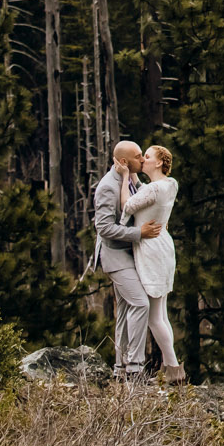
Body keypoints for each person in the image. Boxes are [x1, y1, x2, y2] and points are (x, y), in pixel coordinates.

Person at [91, 139, 161, 382]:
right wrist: (138, 234)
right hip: (115, 256)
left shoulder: (130, 179)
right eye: (138, 156)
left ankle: (120, 368)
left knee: (123, 311)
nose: (143, 160)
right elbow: (104, 228)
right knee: (140, 304)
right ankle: (135, 367)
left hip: (128, 254)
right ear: (123, 162)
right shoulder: (107, 187)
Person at [121, 144, 183, 384]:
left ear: (158, 163)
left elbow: (128, 205)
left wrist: (126, 176)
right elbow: (146, 193)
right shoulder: (170, 184)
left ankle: (174, 370)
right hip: (163, 246)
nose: (143, 159)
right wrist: (135, 174)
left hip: (151, 248)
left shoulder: (155, 189)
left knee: (154, 316)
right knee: (161, 313)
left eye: (147, 157)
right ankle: (172, 368)